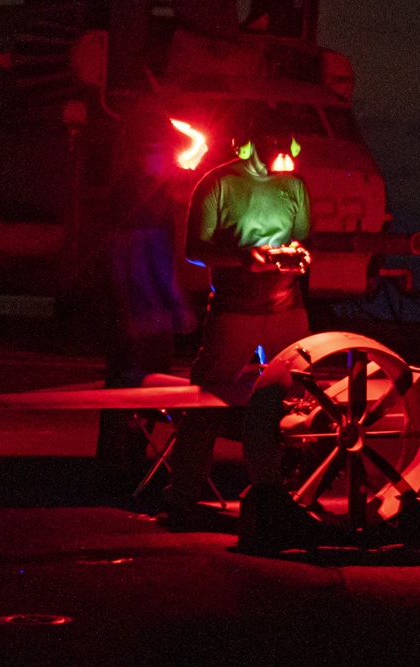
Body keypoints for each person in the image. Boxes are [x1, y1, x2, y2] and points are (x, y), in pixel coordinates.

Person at [161, 113, 315, 550]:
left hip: (288, 307)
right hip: (235, 310)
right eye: (274, 147)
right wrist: (244, 258)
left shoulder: (295, 185)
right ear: (249, 143)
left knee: (297, 403)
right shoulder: (217, 183)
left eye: (288, 147)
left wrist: (298, 256)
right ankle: (183, 498)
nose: (283, 157)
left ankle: (286, 496)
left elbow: (304, 239)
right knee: (207, 400)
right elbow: (195, 250)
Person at [94, 113, 198, 497]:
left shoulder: (138, 190)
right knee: (138, 388)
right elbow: (143, 255)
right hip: (143, 314)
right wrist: (169, 306)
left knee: (127, 390)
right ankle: (124, 470)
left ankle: (118, 465)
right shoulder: (141, 195)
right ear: (148, 153)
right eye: (163, 152)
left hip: (139, 311)